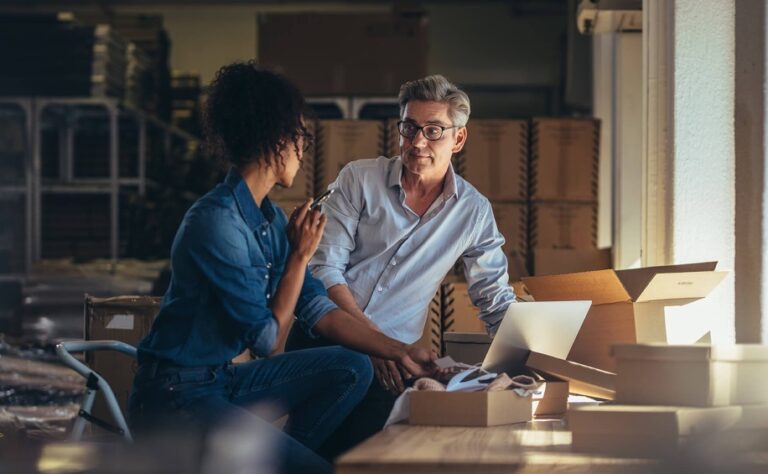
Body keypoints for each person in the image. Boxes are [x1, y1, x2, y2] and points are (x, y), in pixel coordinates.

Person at [128, 61, 437, 474]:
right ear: (276, 138)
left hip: (221, 381)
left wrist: (403, 353)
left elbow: (319, 309)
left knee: (352, 365)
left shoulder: (269, 219)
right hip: (175, 396)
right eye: (300, 137)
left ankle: (263, 462)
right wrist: (298, 257)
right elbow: (267, 341)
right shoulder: (216, 222)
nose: (303, 150)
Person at [286, 74, 517, 457]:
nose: (418, 142)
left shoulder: (473, 212)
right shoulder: (359, 179)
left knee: (369, 459)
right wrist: (377, 343)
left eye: (433, 130)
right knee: (305, 457)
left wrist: (534, 353)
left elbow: (494, 299)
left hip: (393, 369)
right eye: (409, 128)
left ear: (458, 139)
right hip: (322, 341)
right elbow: (323, 269)